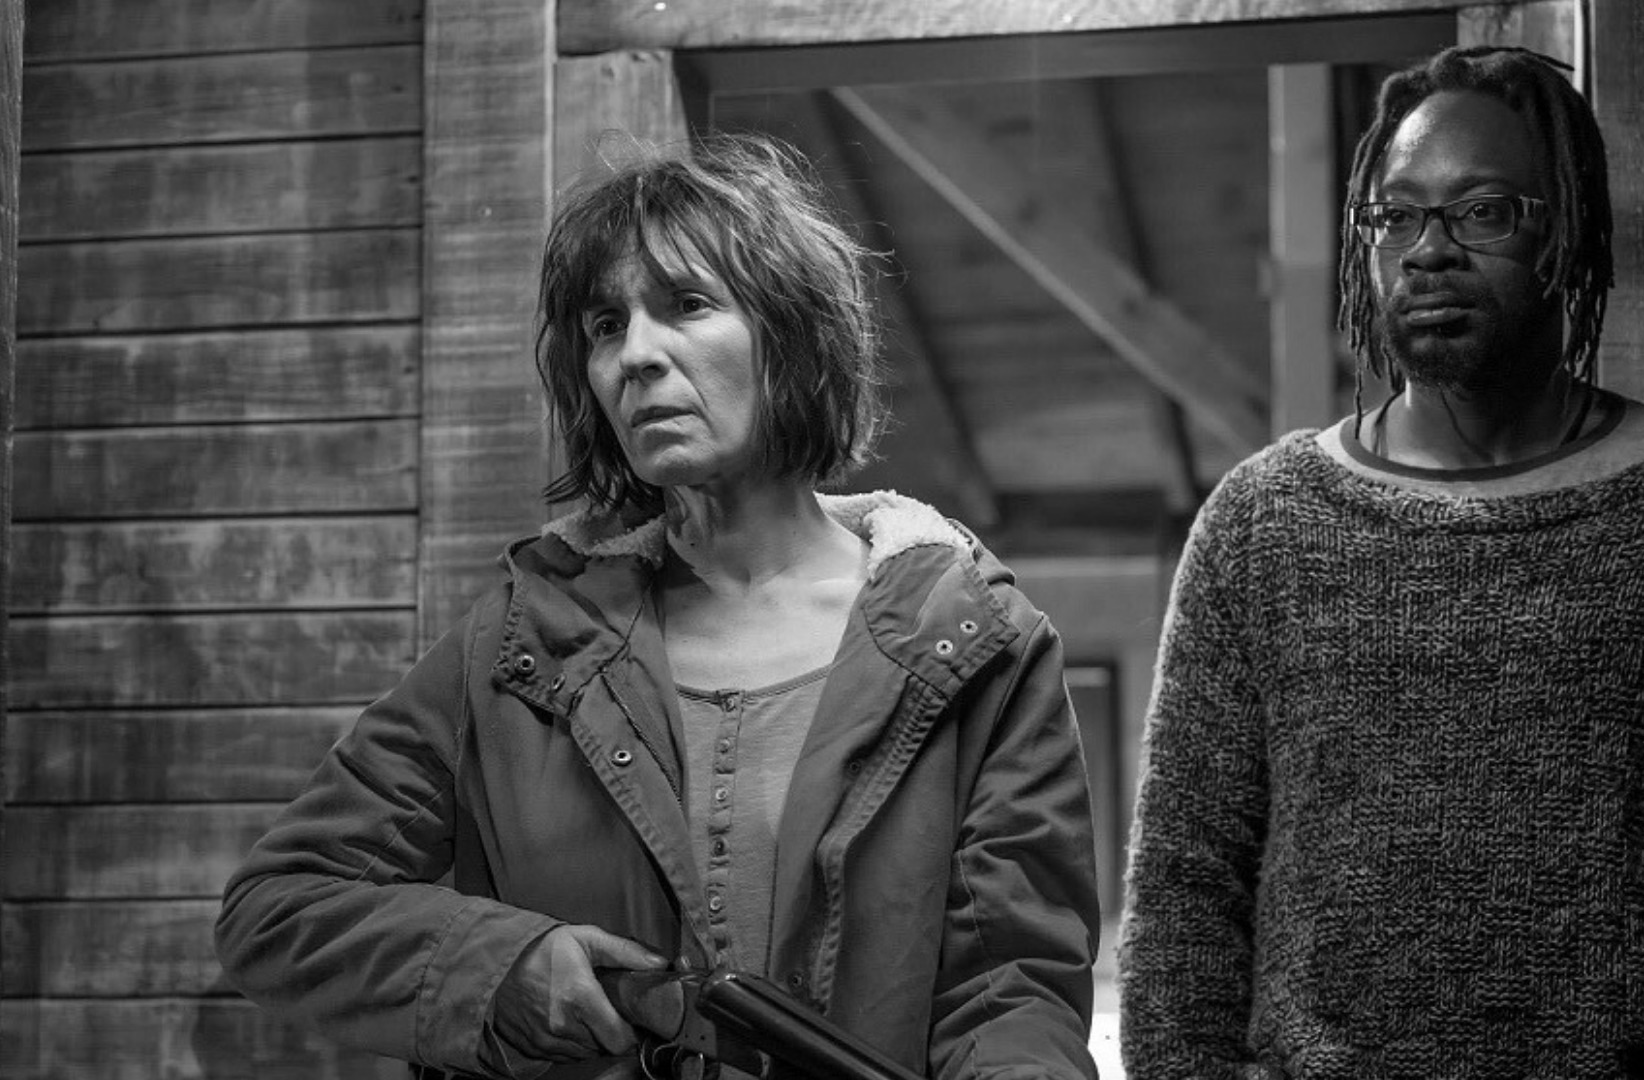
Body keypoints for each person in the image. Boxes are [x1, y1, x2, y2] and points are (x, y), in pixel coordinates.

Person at [216, 133, 1101, 1080]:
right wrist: (502, 969)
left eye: (687, 304)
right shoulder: (527, 640)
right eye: (606, 325)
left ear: (793, 334)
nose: (635, 355)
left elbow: (1011, 989)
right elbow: (281, 905)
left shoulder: (973, 644)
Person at [1118, 45, 1644, 1080]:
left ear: (1564, 233)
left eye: (1482, 212)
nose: (1428, 252)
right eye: (1396, 217)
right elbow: (1184, 886)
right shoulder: (1262, 524)